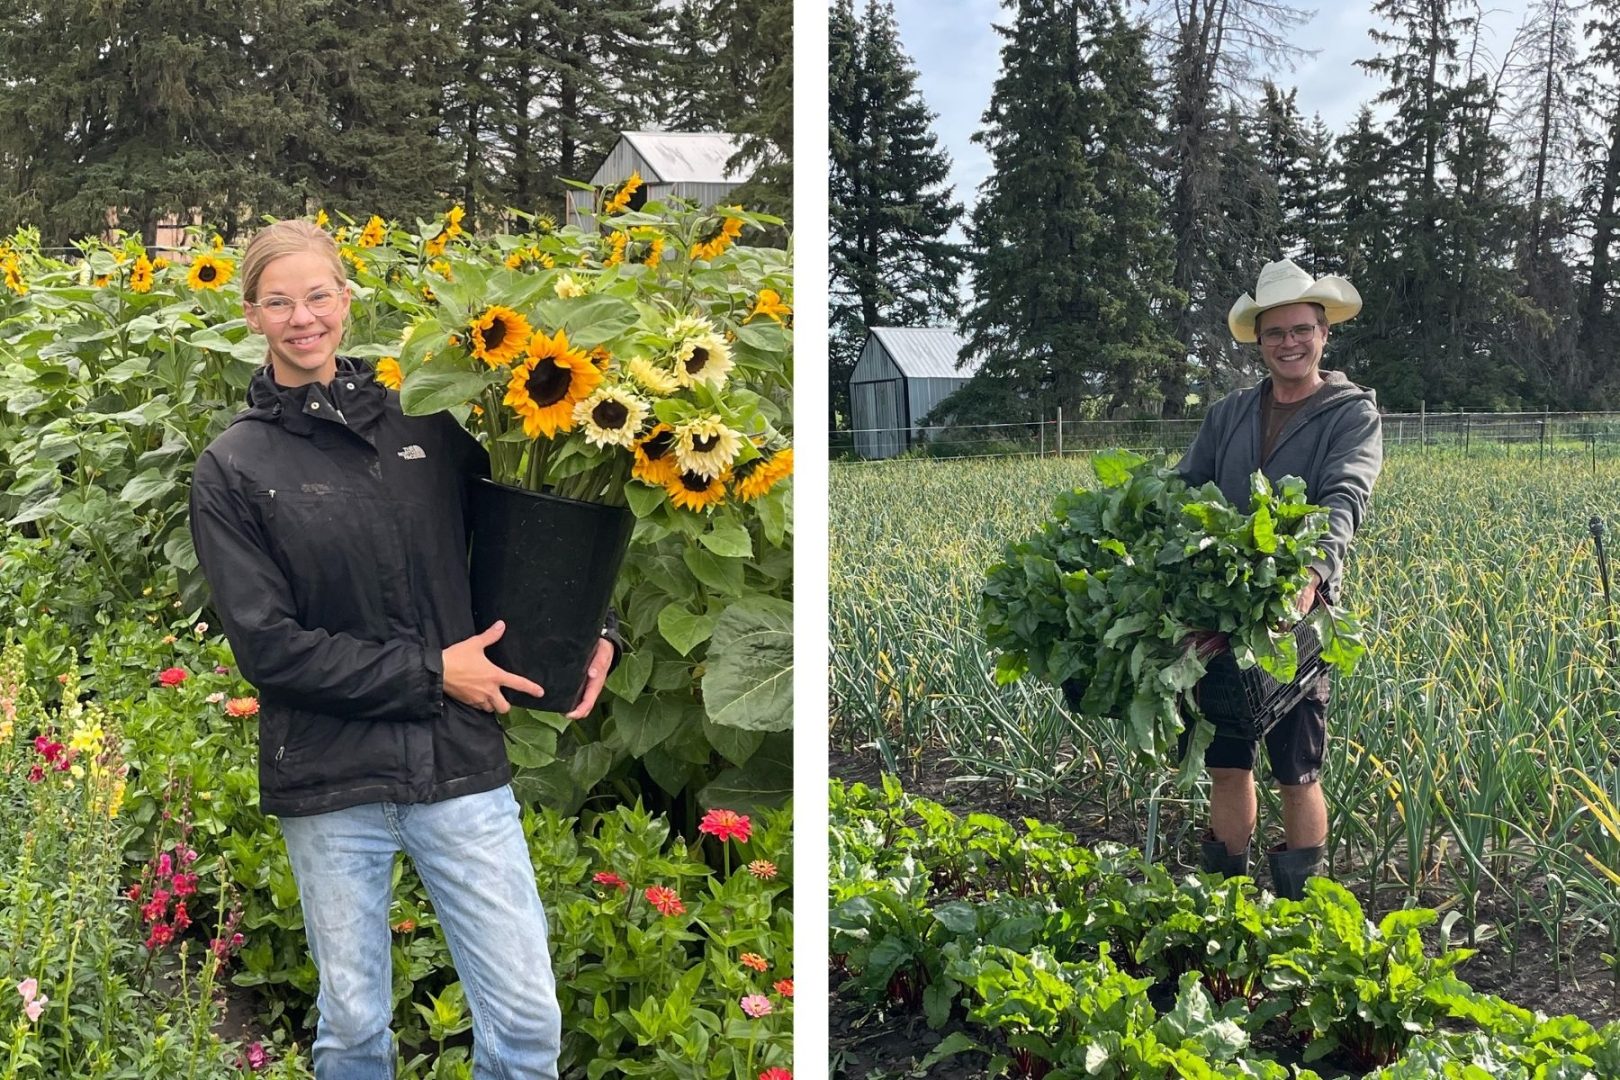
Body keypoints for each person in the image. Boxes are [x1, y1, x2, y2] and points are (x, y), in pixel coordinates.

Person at [188, 219, 617, 1079]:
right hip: (330, 779)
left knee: (529, 1023)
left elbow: (518, 551)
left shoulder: (429, 423)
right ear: (250, 315)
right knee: (353, 1031)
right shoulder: (234, 467)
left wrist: (593, 632)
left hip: (457, 766)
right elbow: (269, 650)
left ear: (347, 299)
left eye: (318, 295)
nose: (302, 317)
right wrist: (433, 672)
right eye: (279, 302)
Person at [1175, 257, 1383, 900]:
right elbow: (1185, 489)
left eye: (1302, 330)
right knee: (1227, 762)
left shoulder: (1350, 415)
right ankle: (1228, 905)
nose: (1289, 343)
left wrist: (1313, 570)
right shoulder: (1229, 413)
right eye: (1276, 334)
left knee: (1297, 768)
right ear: (1258, 342)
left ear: (1324, 334)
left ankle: (1299, 909)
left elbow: (1345, 496)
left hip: (1300, 614)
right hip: (1220, 613)